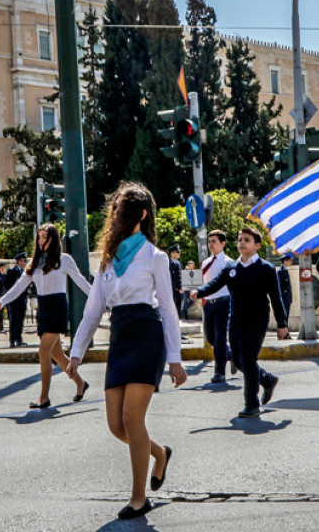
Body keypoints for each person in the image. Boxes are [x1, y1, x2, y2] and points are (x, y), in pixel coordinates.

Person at [67, 183, 186, 520]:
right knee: (117, 426)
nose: (115, 214)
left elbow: (168, 308)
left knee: (133, 419)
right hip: (120, 338)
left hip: (147, 337)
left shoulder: (155, 257)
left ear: (141, 214)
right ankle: (160, 454)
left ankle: (138, 498)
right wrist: (76, 353)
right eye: (114, 208)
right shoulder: (107, 261)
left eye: (121, 208)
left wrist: (174, 359)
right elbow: (92, 311)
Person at [192, 227, 289, 418]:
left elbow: (276, 298)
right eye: (240, 239)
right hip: (236, 318)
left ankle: (251, 403)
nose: (242, 243)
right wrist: (199, 291)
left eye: (247, 240)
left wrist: (282, 324)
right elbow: (215, 283)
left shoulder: (266, 268)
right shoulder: (231, 268)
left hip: (257, 319)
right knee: (236, 359)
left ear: (257, 245)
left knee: (248, 358)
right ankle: (267, 380)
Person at [0, 224, 92, 407]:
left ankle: (44, 397)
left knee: (43, 351)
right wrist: (3, 301)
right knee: (58, 355)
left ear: (53, 239)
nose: (41, 241)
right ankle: (80, 383)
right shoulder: (34, 263)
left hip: (57, 308)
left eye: (45, 237)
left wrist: (98, 299)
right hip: (43, 308)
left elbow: (80, 280)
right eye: (39, 237)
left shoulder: (64, 260)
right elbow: (19, 286)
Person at [200, 231, 236, 383]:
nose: (210, 244)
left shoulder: (229, 263)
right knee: (211, 337)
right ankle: (232, 355)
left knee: (220, 338)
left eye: (214, 241)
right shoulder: (205, 262)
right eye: (209, 241)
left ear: (223, 243)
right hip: (209, 304)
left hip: (223, 302)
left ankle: (219, 372)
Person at [3, 253, 28, 348]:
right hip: (14, 300)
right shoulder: (12, 271)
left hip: (23, 299)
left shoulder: (25, 272)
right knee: (14, 319)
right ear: (19, 261)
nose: (25, 262)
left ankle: (19, 338)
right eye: (24, 260)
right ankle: (12, 340)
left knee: (21, 319)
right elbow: (7, 285)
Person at [278, 254, 294, 339]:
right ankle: (284, 334)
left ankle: (285, 333)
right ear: (285, 260)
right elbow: (279, 285)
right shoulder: (281, 271)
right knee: (284, 316)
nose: (291, 261)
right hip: (283, 298)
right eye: (290, 260)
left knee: (286, 316)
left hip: (287, 297)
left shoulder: (285, 270)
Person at [168, 244, 184, 321]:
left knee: (178, 309)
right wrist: (178, 287)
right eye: (177, 252)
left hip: (180, 291)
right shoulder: (169, 264)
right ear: (172, 253)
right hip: (173, 290)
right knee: (172, 309)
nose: (179, 253)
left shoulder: (179, 264)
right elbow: (170, 278)